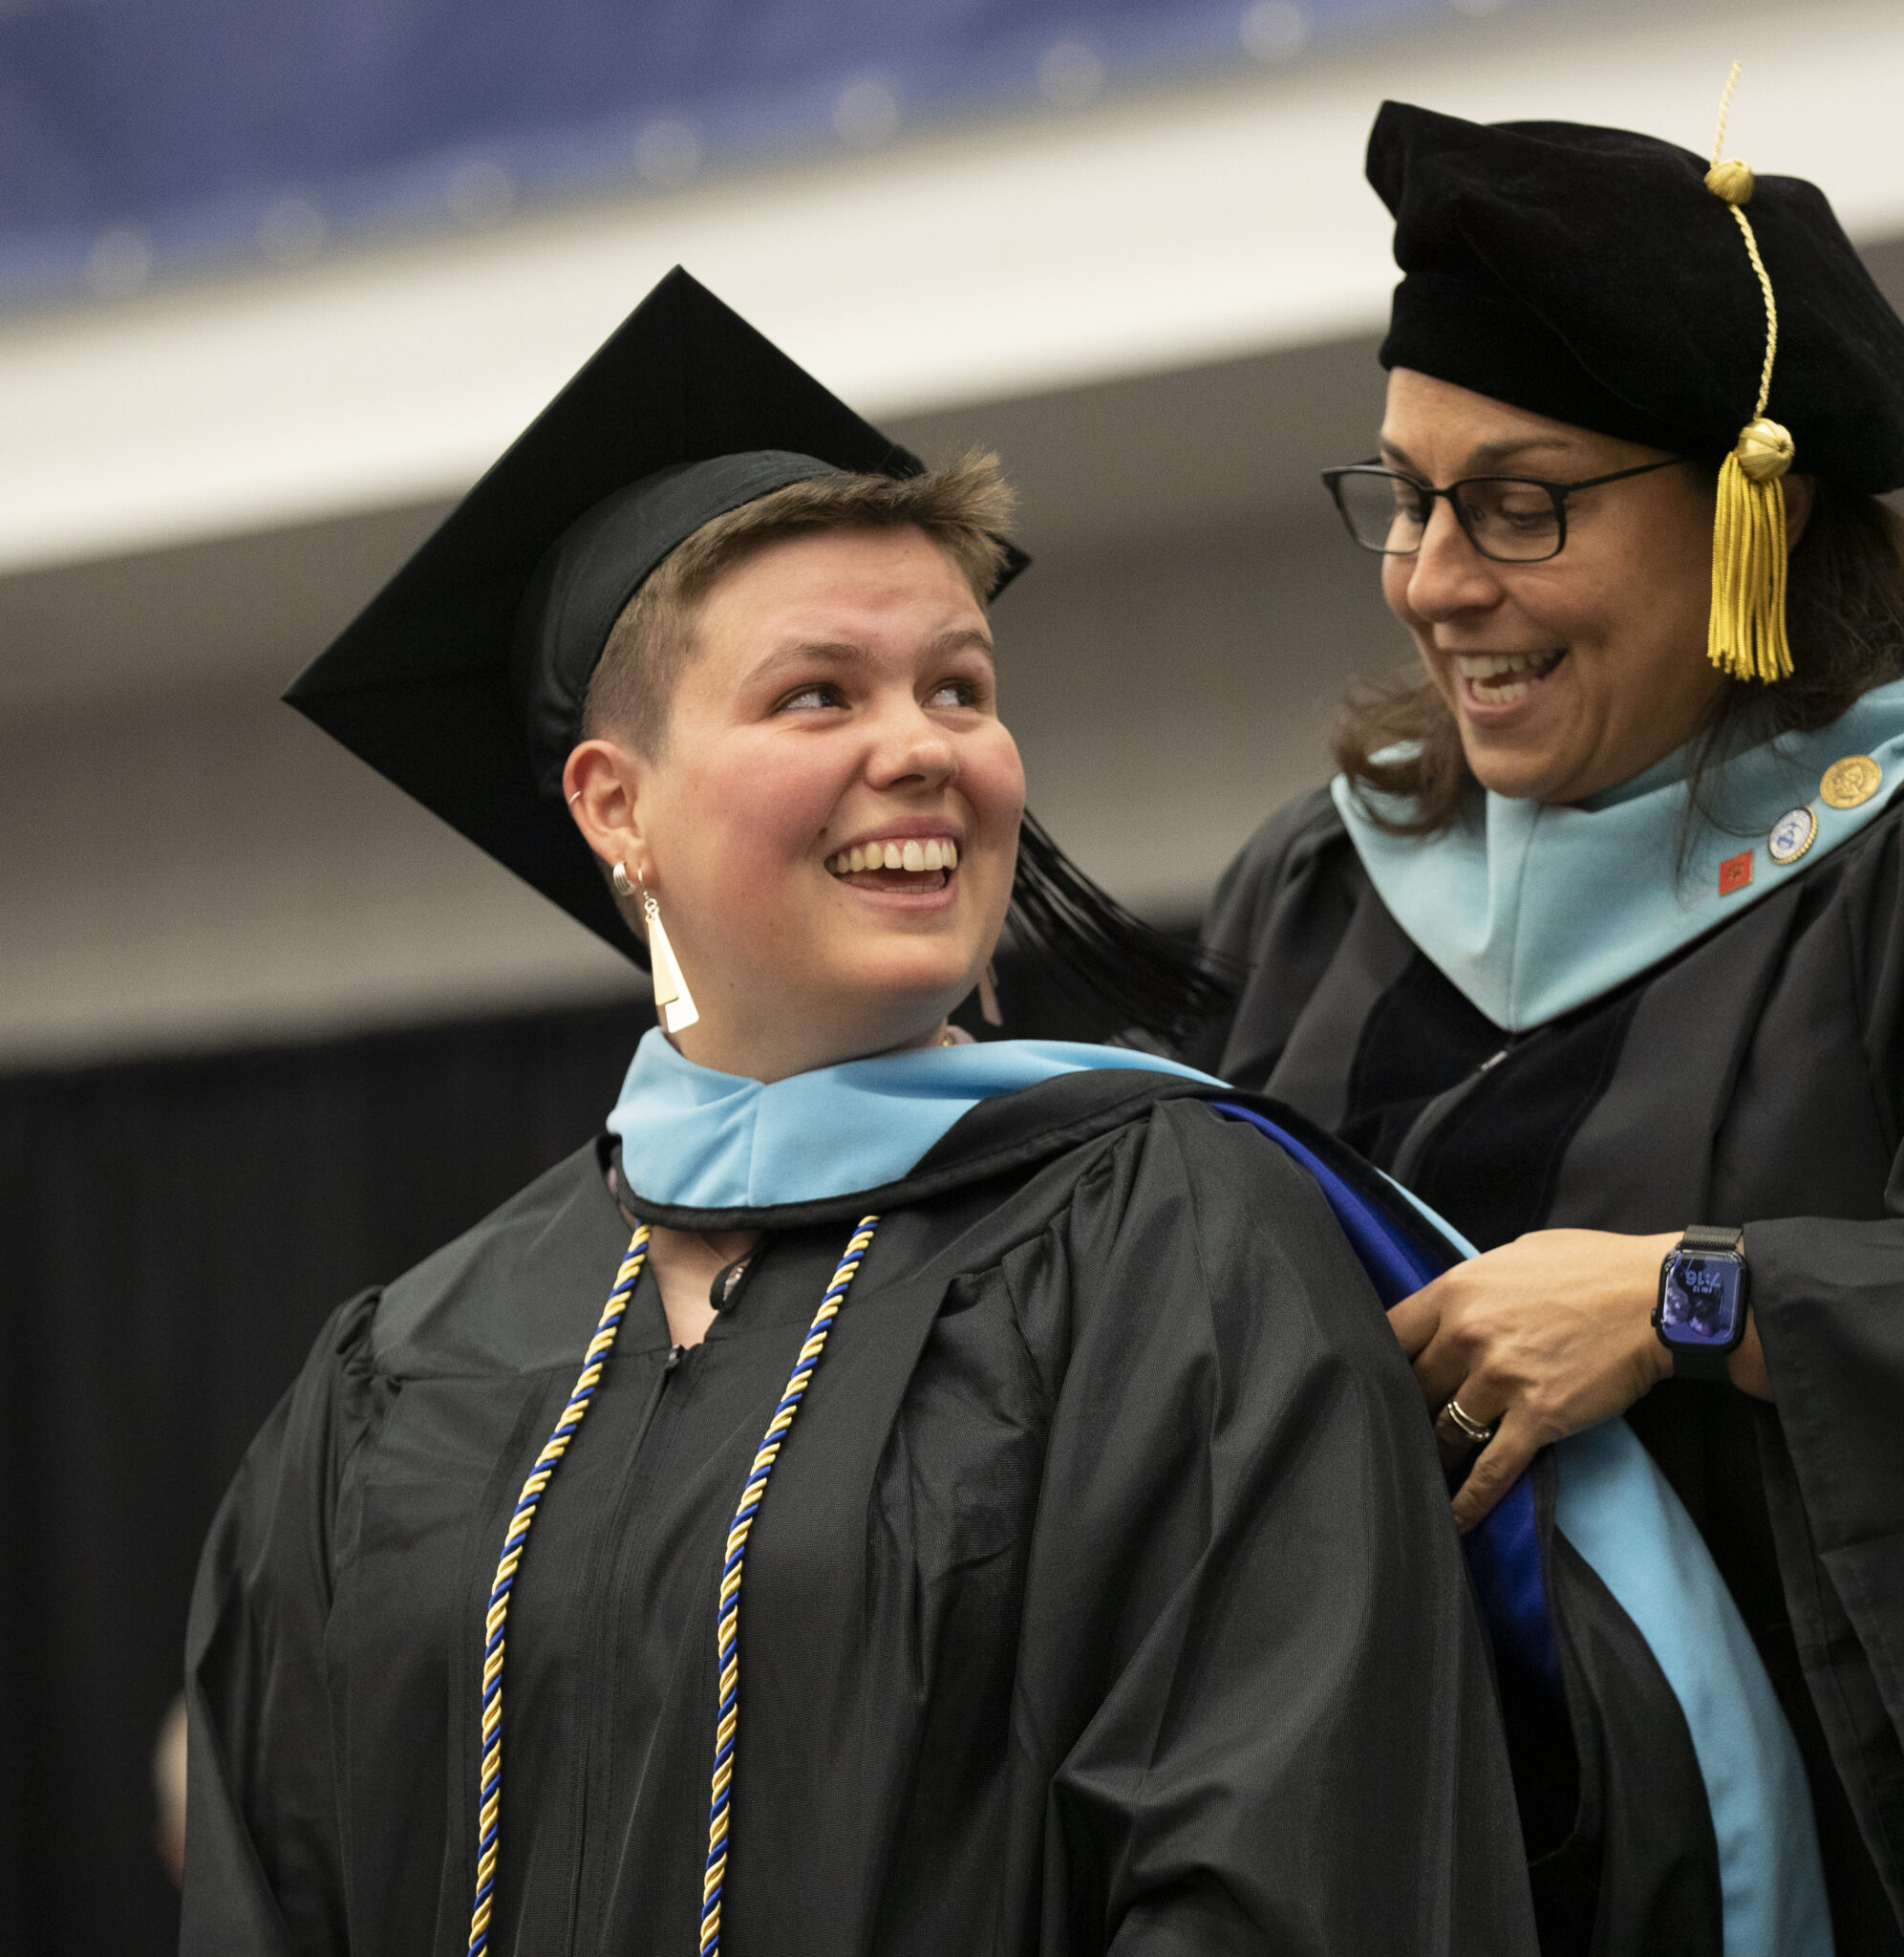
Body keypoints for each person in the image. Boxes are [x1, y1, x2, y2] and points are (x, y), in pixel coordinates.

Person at [180, 270, 1548, 1957]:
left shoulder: (1167, 1236)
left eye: (960, 690)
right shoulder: (399, 1374)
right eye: (819, 694)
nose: (926, 749)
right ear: (615, 806)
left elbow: (1289, 1873)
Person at [1193, 98, 1904, 1956]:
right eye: (1403, 498)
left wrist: (1695, 1302)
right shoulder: (1325, 895)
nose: (1430, 576)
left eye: (1517, 503)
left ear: (1754, 505)